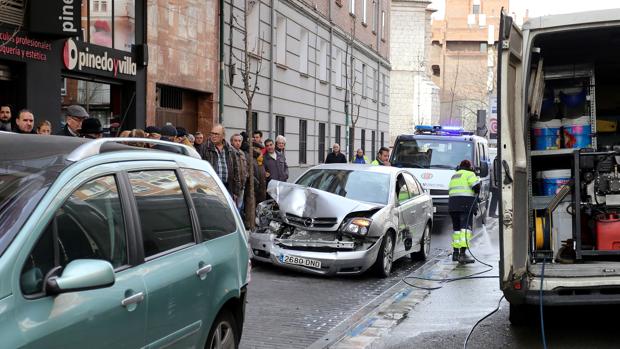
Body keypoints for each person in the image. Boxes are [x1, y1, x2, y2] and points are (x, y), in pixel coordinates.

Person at [448, 159, 481, 264]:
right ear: (469, 166)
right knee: (465, 229)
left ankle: (455, 253)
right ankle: (463, 255)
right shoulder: (470, 174)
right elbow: (476, 187)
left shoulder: (455, 175)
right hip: (465, 205)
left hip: (453, 205)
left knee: (456, 230)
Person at [200, 124, 241, 200]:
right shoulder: (204, 148)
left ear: (223, 136)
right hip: (210, 188)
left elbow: (236, 171)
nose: (213, 136)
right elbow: (199, 169)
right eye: (212, 133)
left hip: (227, 188)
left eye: (216, 134)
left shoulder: (230, 150)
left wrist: (236, 192)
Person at [231, 133, 249, 210]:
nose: (238, 143)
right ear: (231, 142)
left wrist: (246, 175)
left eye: (239, 141)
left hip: (242, 186)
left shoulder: (242, 153)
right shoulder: (230, 152)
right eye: (235, 141)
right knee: (233, 208)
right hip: (233, 186)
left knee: (239, 207)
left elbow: (245, 168)